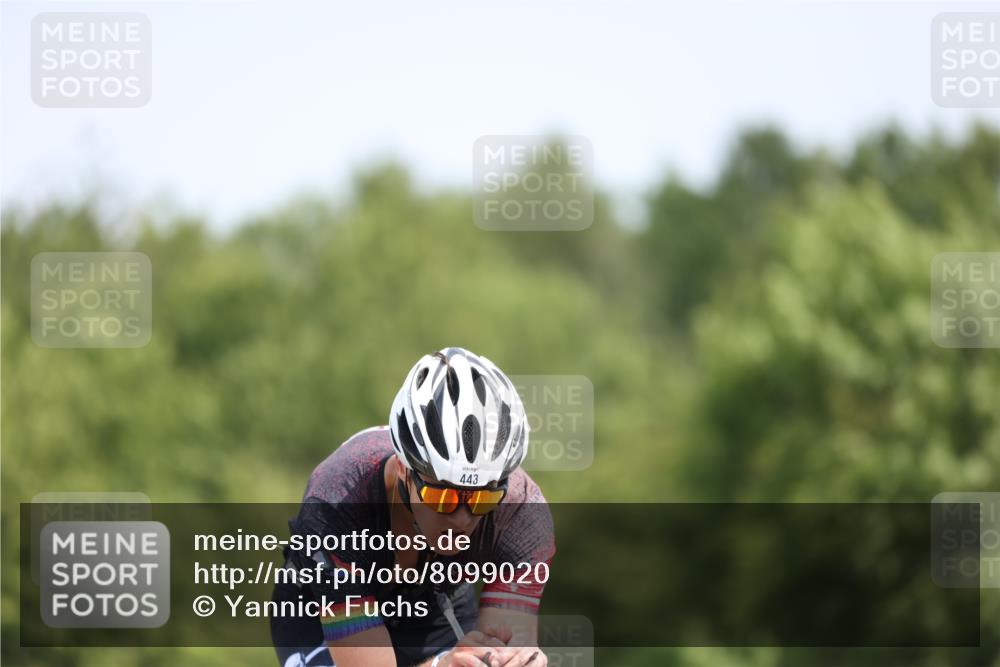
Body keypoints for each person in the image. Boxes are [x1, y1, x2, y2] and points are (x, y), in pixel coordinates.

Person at [271, 347, 555, 667]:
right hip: (319, 612)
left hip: (433, 601)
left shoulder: (522, 513)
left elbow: (504, 649)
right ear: (405, 470)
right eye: (443, 498)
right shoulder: (335, 504)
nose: (463, 519)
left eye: (482, 499)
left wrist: (512, 659)